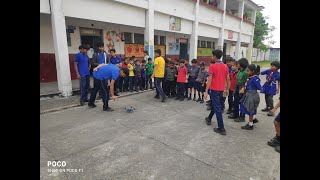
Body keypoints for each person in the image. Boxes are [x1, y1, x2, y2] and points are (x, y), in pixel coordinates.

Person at [204, 49, 230, 135]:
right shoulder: (225, 66)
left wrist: (206, 91)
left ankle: (221, 128)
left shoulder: (212, 66)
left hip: (214, 90)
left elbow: (210, 79)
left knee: (218, 108)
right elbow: (228, 78)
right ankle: (209, 118)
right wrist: (227, 89)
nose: (212, 57)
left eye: (212, 56)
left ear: (214, 56)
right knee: (216, 105)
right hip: (221, 89)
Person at [239, 64, 262, 130]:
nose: (246, 72)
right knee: (250, 108)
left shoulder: (255, 78)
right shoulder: (250, 77)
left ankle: (250, 124)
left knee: (250, 109)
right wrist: (244, 88)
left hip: (252, 95)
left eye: (248, 71)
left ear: (252, 71)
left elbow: (259, 87)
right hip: (249, 94)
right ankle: (253, 119)